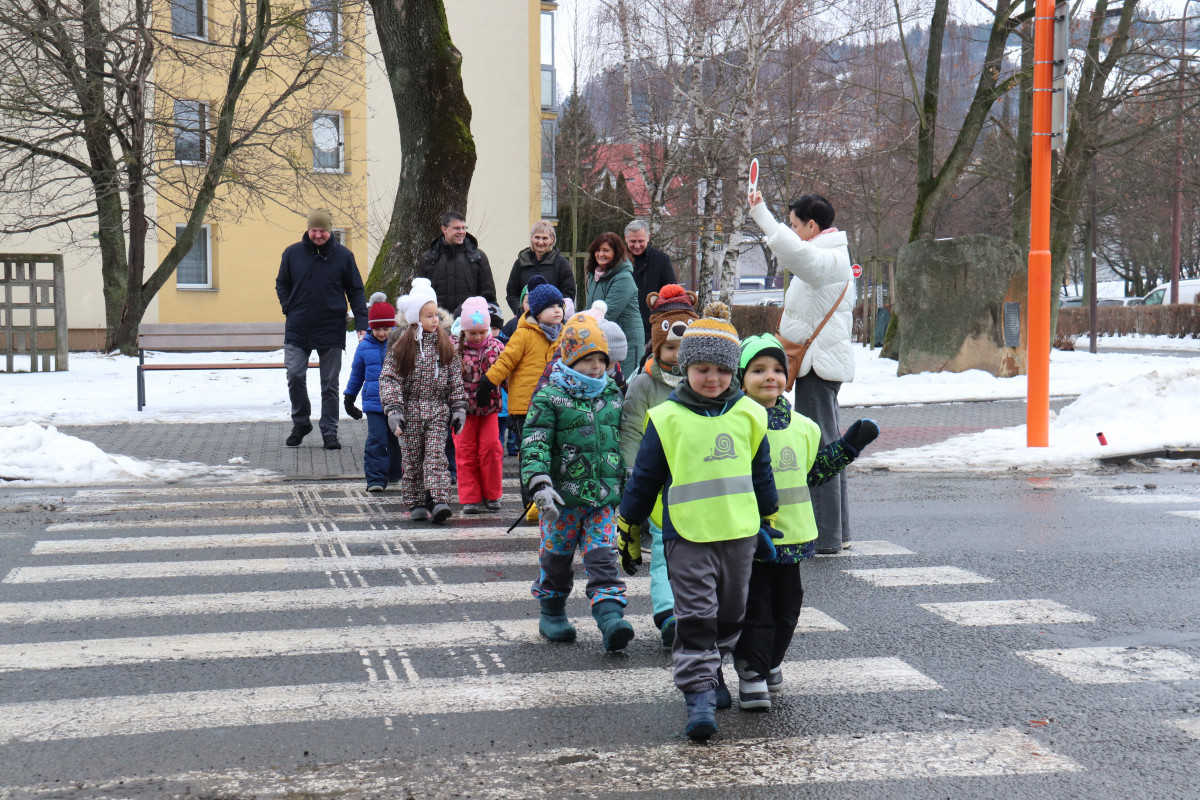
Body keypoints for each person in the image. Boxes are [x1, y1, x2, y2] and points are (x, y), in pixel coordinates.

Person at [616, 303, 778, 742]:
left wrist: (767, 519)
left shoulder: (750, 414)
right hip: (686, 536)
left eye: (722, 371)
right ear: (686, 367)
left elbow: (760, 472)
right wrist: (629, 526)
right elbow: (645, 477)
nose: (713, 379)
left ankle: (713, 670)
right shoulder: (668, 418)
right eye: (703, 368)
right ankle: (699, 696)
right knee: (696, 617)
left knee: (730, 615)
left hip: (739, 534)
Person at [731, 334, 878, 709]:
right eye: (759, 370)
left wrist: (846, 449)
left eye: (778, 370)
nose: (771, 377)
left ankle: (770, 660)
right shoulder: (732, 424)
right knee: (757, 608)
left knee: (788, 607)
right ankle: (751, 670)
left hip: (793, 537)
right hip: (749, 535)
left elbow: (811, 475)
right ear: (741, 376)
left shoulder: (804, 427)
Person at [749, 192, 855, 554]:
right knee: (827, 443)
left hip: (817, 366)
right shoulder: (830, 256)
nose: (791, 232)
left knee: (819, 448)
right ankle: (837, 532)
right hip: (818, 362)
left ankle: (826, 535)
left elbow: (797, 255)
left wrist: (762, 214)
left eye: (794, 225)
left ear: (812, 226)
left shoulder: (827, 259)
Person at [522, 310, 632, 651]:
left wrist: (628, 479)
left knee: (603, 559)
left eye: (601, 358)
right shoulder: (550, 397)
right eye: (587, 359)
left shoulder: (612, 394)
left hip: (602, 501)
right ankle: (552, 613)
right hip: (561, 502)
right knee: (556, 561)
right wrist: (540, 482)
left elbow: (622, 439)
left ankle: (611, 619)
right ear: (570, 359)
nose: (597, 366)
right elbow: (535, 441)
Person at [618, 284, 699, 647]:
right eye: (669, 348)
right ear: (656, 346)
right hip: (656, 479)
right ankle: (668, 613)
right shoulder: (644, 384)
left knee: (697, 551)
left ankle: (695, 610)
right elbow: (632, 429)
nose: (677, 357)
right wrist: (634, 474)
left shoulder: (705, 382)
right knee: (666, 547)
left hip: (697, 480)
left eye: (684, 349)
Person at [275, 208, 368, 450]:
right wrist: (288, 306)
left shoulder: (344, 256)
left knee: (329, 383)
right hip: (298, 325)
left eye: (323, 230)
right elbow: (281, 283)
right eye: (314, 230)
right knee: (294, 374)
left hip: (331, 326)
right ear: (308, 229)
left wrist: (361, 323)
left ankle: (329, 430)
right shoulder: (292, 253)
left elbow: (356, 290)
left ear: (330, 231)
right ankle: (301, 422)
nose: (318, 234)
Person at [379, 278, 467, 524]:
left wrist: (458, 406)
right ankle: (417, 501)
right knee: (412, 457)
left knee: (436, 454)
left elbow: (454, 378)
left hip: (438, 410)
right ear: (416, 318)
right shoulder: (402, 347)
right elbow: (389, 377)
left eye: (436, 315)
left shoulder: (445, 345)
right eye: (428, 316)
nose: (435, 320)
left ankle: (439, 500)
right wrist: (394, 409)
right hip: (410, 410)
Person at [475, 275, 565, 509]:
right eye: (551, 307)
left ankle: (552, 495)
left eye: (560, 306)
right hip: (525, 407)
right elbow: (505, 362)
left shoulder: (564, 335)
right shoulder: (523, 334)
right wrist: (487, 383)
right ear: (537, 310)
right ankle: (531, 503)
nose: (557, 311)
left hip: (555, 404)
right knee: (529, 454)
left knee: (552, 452)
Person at [343, 293, 403, 492]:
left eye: (386, 328)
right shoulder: (364, 347)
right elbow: (356, 375)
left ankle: (395, 473)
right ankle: (376, 479)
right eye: (377, 328)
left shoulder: (398, 346)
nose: (382, 333)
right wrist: (349, 398)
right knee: (377, 439)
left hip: (396, 403)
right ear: (370, 327)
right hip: (374, 402)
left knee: (394, 439)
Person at [454, 296, 505, 514]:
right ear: (463, 330)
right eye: (472, 333)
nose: (477, 337)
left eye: (482, 332)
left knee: (491, 449)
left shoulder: (497, 347)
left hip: (489, 409)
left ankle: (492, 494)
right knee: (465, 451)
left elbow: (508, 375)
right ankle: (470, 497)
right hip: (463, 411)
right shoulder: (453, 348)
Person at [415, 210, 497, 315]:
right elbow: (420, 296)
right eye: (456, 228)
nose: (461, 232)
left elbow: (488, 294)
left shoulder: (478, 257)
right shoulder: (428, 258)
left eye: (464, 228)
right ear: (443, 229)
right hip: (438, 322)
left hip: (470, 321)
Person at [585, 232, 643, 379]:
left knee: (624, 385)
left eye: (606, 250)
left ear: (616, 253)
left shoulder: (624, 278)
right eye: (598, 250)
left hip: (626, 341)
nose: (601, 254)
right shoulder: (595, 276)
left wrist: (577, 325)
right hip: (605, 339)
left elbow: (606, 313)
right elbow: (589, 308)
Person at [506, 220, 577, 316]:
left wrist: (553, 310)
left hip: (552, 320)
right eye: (537, 237)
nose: (540, 242)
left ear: (552, 239)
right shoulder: (520, 263)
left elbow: (568, 292)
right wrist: (520, 310)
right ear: (531, 238)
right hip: (525, 317)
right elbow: (512, 292)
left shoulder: (561, 263)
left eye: (545, 238)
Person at [625, 220, 677, 347]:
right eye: (633, 242)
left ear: (648, 237)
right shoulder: (617, 260)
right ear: (626, 238)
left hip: (652, 331)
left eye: (641, 241)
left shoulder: (661, 260)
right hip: (624, 330)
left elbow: (672, 294)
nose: (637, 246)